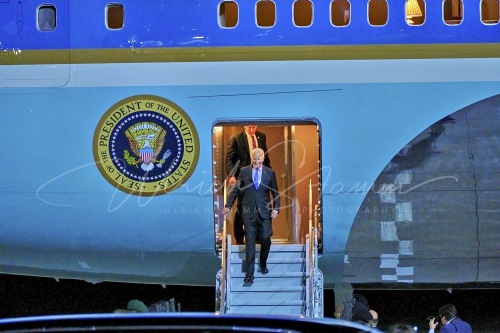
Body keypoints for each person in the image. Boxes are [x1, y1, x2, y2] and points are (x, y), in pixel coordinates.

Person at [223, 148, 279, 283]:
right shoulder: (244, 171)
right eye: (255, 159)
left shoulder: (270, 173)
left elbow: (275, 192)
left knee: (266, 238)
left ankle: (263, 263)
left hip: (265, 212)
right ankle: (249, 274)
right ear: (251, 158)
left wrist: (276, 209)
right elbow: (236, 190)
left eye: (259, 159)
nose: (257, 161)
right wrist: (228, 205)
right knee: (250, 241)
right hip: (248, 213)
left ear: (263, 159)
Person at [225, 125, 271, 245]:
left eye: (254, 127)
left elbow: (266, 157)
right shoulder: (236, 138)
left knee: (259, 206)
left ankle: (257, 237)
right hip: (244, 177)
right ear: (245, 126)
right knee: (242, 207)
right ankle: (239, 238)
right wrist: (231, 175)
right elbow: (229, 159)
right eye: (249, 127)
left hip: (259, 176)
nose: (252, 130)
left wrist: (269, 175)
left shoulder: (262, 137)